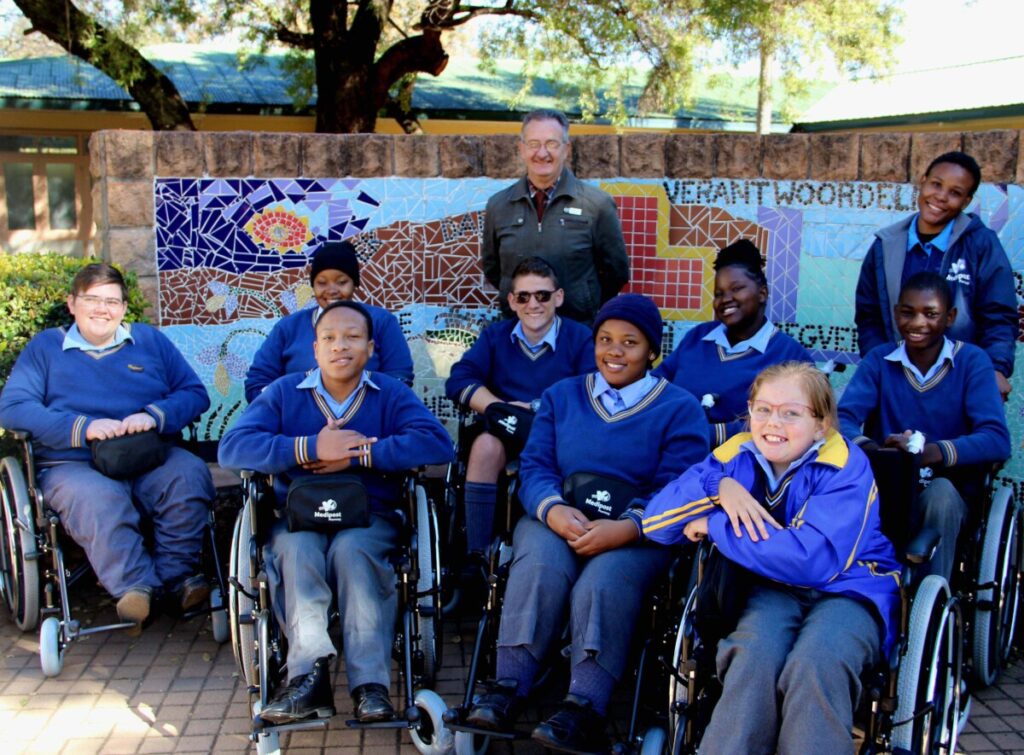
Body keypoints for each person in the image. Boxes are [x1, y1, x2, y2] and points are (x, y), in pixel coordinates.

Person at [464, 294, 710, 752]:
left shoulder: (679, 408)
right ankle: (508, 687)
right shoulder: (562, 396)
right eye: (605, 340)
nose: (614, 352)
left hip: (636, 532)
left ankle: (584, 706)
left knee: (602, 582)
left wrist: (630, 527)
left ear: (652, 352)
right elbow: (535, 467)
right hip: (559, 516)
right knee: (537, 563)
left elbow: (679, 487)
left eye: (630, 343)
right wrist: (553, 510)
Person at [642, 362, 900, 754]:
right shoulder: (738, 452)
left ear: (822, 423)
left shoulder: (845, 465)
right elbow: (656, 524)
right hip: (773, 588)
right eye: (762, 409)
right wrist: (719, 486)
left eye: (791, 413)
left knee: (816, 663)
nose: (772, 422)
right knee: (752, 657)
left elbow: (811, 562)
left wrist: (716, 526)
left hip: (850, 588)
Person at [218, 301, 454, 725]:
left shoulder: (390, 393)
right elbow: (233, 447)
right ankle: (308, 678)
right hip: (299, 518)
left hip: (370, 517)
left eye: (352, 338)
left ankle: (370, 685)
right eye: (329, 338)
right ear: (315, 348)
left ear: (370, 348)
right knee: (296, 550)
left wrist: (361, 453)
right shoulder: (285, 392)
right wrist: (306, 447)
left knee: (352, 551)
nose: (339, 346)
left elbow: (437, 444)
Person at [0, 263, 214, 633]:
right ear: (72, 304)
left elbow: (195, 394)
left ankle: (175, 580)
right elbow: (13, 408)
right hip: (75, 462)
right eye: (92, 299)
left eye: (112, 301)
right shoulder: (46, 349)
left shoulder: (149, 341)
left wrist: (155, 415)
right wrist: (83, 427)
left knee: (189, 476)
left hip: (149, 454)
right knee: (99, 499)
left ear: (124, 306)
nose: (103, 309)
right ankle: (136, 588)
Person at [840, 272, 1010, 583]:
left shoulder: (972, 362)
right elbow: (841, 419)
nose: (918, 323)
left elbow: (997, 439)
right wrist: (875, 449)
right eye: (908, 312)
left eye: (930, 314)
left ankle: (926, 598)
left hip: (950, 492)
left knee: (939, 494)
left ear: (950, 317)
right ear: (895, 313)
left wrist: (933, 452)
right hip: (889, 485)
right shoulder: (879, 360)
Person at [445, 256, 594, 555]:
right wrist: (502, 409)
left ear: (559, 297)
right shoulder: (495, 337)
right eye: (523, 296)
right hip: (507, 430)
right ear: (512, 301)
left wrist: (541, 409)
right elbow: (458, 381)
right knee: (485, 446)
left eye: (542, 295)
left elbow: (590, 392)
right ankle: (477, 557)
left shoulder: (580, 338)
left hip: (558, 434)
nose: (533, 304)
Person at [855, 151, 1016, 400]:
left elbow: (998, 315)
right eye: (936, 184)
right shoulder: (886, 245)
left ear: (966, 201)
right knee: (895, 440)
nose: (940, 197)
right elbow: (869, 314)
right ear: (923, 181)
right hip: (896, 384)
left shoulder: (981, 244)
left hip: (961, 384)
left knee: (950, 441)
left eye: (955, 192)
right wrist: (881, 365)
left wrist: (995, 367)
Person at [653, 239, 813, 446]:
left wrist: (708, 433)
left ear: (762, 293)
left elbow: (797, 421)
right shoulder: (697, 338)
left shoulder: (791, 357)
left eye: (736, 289)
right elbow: (656, 388)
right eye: (719, 293)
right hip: (670, 453)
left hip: (740, 467)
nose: (725, 299)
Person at [481, 108, 629, 324]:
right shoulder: (499, 205)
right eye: (533, 144)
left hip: (576, 331)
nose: (542, 153)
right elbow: (493, 269)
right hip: (517, 329)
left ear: (566, 149)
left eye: (552, 143)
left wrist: (583, 302)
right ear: (521, 149)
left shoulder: (597, 205)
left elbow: (616, 273)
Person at [244, 241, 414, 401]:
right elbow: (257, 383)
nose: (331, 291)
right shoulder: (288, 327)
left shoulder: (381, 322)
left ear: (355, 283)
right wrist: (290, 407)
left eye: (341, 282)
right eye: (322, 283)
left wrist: (363, 408)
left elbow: (400, 378)